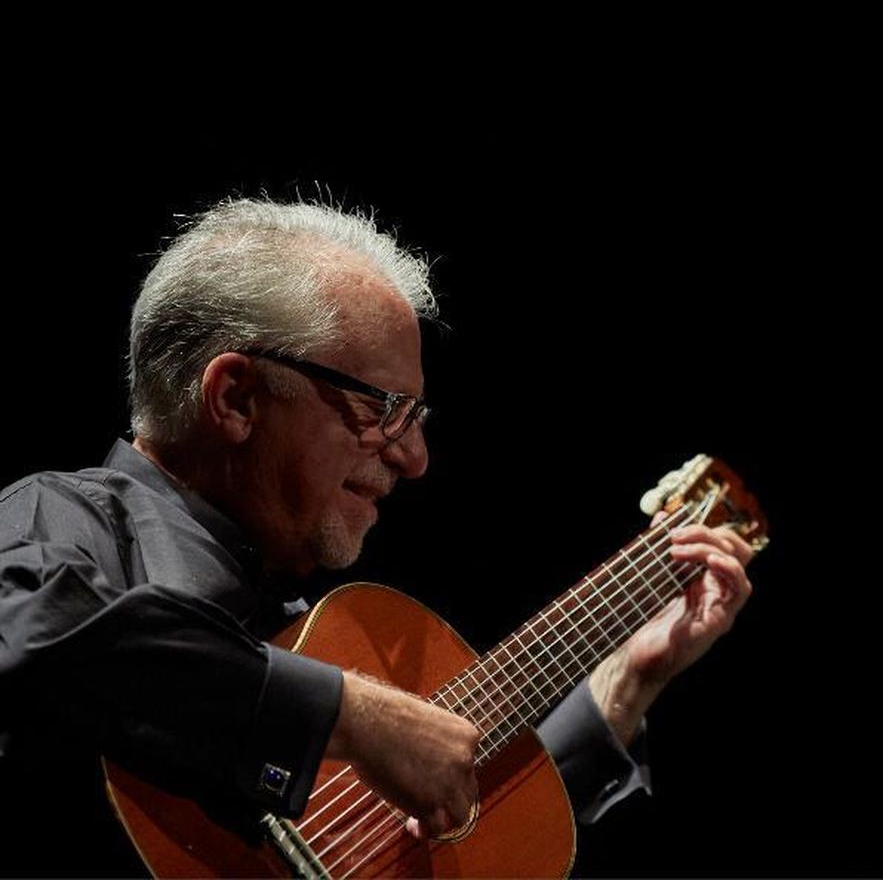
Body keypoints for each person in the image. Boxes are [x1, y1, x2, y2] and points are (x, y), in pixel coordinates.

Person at [0, 197, 754, 876]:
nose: (415, 457)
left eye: (416, 418)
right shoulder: (65, 521)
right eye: (384, 408)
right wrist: (352, 715)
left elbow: (378, 843)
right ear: (235, 398)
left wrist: (626, 680)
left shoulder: (305, 625)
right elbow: (33, 632)